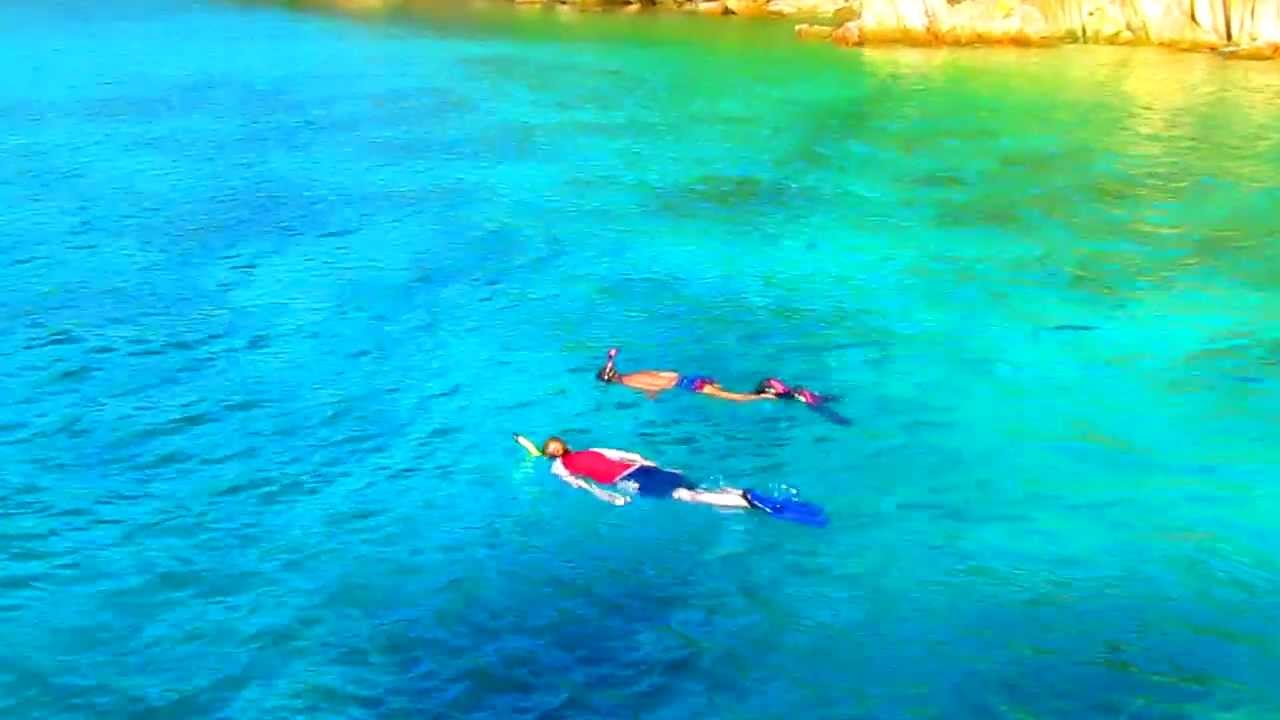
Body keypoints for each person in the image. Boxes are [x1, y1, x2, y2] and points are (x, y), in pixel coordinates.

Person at [516, 434, 828, 526]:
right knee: (694, 489)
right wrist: (657, 465)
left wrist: (607, 497)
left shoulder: (560, 467)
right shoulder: (584, 452)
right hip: (644, 472)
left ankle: (746, 499)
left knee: (688, 497)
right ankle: (737, 496)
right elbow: (629, 454)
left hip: (634, 480)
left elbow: (583, 483)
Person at [594, 348, 777, 402]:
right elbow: (664, 374)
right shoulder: (635, 373)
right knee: (722, 389)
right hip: (690, 378)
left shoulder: (628, 382)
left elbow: (657, 387)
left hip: (685, 385)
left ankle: (765, 396)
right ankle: (760, 391)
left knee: (730, 397)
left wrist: (651, 395)